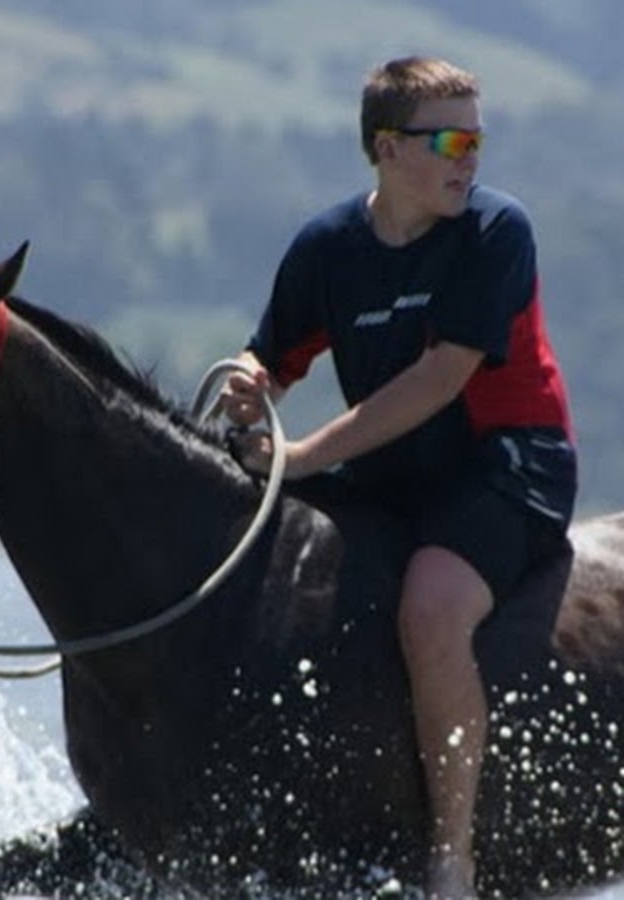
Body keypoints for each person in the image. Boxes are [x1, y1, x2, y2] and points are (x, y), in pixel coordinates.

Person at [218, 56, 577, 900]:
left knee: (430, 608)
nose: (470, 159)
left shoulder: (497, 231)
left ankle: (451, 858)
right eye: (451, 141)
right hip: (395, 468)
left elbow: (438, 381)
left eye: (478, 140)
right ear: (387, 149)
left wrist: (302, 457)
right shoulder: (326, 248)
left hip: (509, 464)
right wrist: (248, 384)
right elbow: (270, 358)